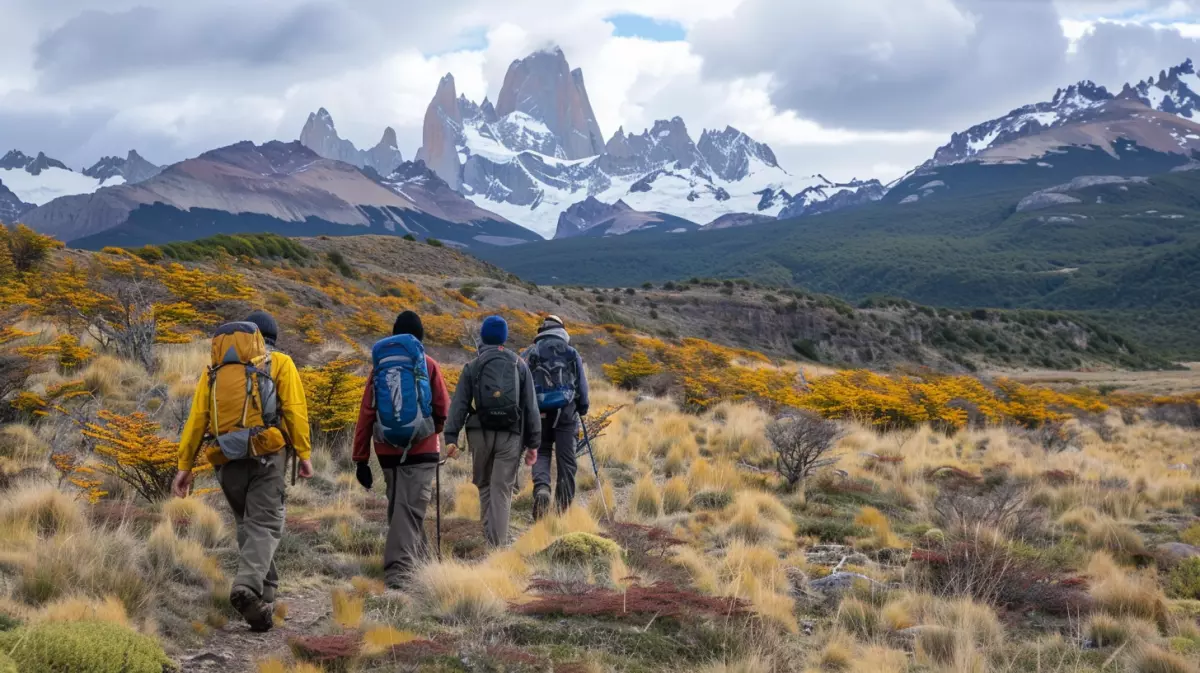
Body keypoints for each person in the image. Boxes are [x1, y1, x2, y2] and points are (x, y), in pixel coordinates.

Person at [172, 309, 313, 632]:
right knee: (265, 523)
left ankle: (263, 601)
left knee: (248, 526)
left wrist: (185, 466)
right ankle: (247, 588)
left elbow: (197, 421)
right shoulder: (281, 364)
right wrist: (304, 454)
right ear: (267, 340)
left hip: (225, 460)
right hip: (267, 455)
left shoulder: (215, 373)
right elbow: (295, 411)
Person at [351, 311, 450, 588]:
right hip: (422, 449)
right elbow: (443, 407)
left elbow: (366, 413)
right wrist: (432, 430)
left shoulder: (380, 369)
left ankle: (421, 564)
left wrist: (361, 459)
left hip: (386, 450)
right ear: (419, 337)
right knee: (409, 510)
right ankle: (398, 573)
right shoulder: (427, 364)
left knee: (400, 508)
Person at [443, 315, 540, 547]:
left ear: (483, 337)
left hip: (479, 434)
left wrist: (451, 437)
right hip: (511, 435)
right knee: (502, 490)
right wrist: (533, 443)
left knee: (485, 485)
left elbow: (459, 404)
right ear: (504, 338)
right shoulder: (519, 364)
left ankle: (490, 538)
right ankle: (497, 544)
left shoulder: (472, 366)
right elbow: (531, 406)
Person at [522, 315, 589, 520]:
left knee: (541, 451)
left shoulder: (530, 353)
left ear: (542, 330)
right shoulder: (571, 352)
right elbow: (582, 385)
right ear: (562, 330)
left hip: (538, 412)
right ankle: (562, 511)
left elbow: (522, 383)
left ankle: (542, 489)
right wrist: (582, 407)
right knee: (566, 461)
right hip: (566, 414)